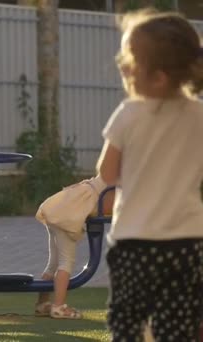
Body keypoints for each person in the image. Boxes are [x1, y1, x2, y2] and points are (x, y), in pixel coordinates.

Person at [97, 9, 203, 341]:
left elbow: (107, 172)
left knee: (127, 322)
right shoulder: (199, 115)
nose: (121, 64)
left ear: (157, 76)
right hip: (187, 242)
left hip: (134, 242)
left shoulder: (128, 114)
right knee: (178, 326)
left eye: (129, 58)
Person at [34, 176, 114, 319]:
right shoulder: (116, 182)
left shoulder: (101, 180)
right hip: (66, 216)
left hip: (58, 209)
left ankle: (42, 303)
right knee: (66, 262)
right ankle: (58, 307)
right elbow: (110, 206)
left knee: (53, 264)